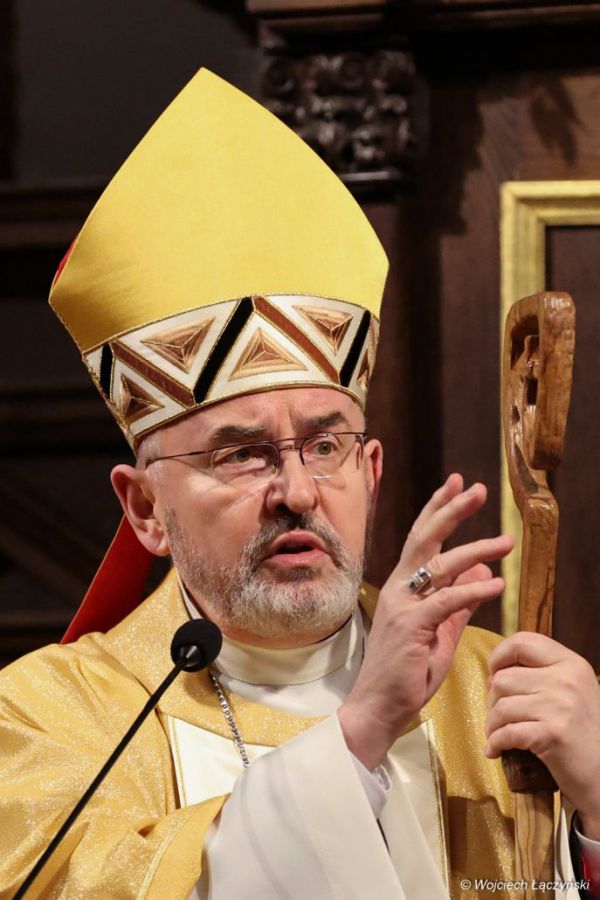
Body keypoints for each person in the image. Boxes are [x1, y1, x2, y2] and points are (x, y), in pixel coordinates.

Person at [1, 68, 600, 900]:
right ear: (145, 509)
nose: (297, 491)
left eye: (324, 446)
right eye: (242, 455)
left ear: (371, 472)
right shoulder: (47, 720)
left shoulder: (495, 689)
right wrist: (358, 734)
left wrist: (597, 817)